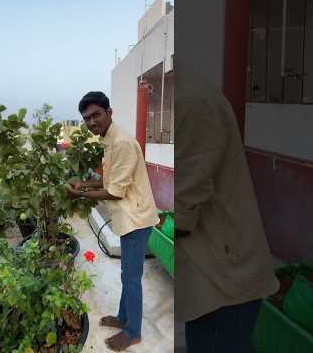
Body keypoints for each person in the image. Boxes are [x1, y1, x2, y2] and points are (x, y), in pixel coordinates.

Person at [174, 61, 279, 352]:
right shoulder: (186, 95)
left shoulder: (191, 101)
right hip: (210, 278)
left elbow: (182, 216)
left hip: (222, 283)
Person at [67, 91, 159, 352]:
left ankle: (133, 332)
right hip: (128, 216)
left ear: (109, 112)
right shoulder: (109, 139)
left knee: (132, 277)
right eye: (87, 118)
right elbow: (111, 181)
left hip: (136, 219)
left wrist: (79, 193)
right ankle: (123, 318)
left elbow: (115, 191)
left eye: (96, 115)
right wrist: (84, 182)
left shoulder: (122, 143)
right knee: (127, 274)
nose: (92, 122)